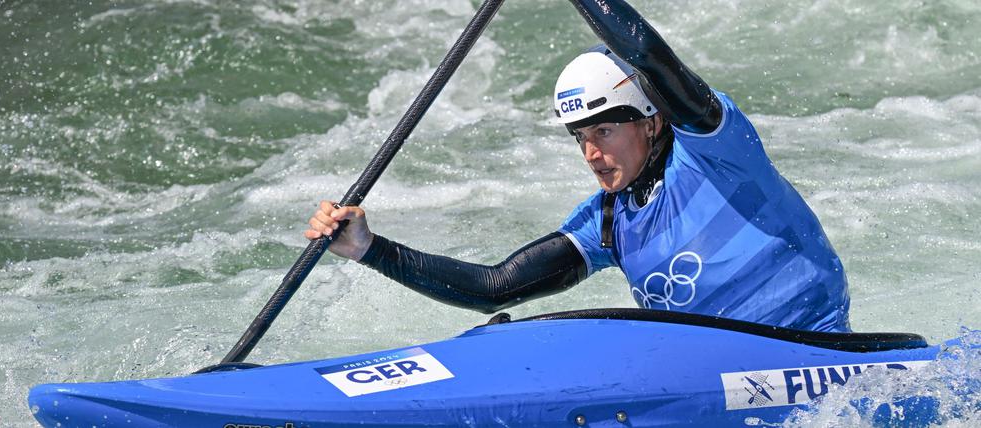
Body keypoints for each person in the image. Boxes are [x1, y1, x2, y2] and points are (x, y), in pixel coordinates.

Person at [305, 0, 851, 332]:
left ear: (652, 120)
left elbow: (650, 57)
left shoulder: (716, 151)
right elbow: (497, 286)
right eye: (581, 137)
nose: (592, 153)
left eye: (606, 131)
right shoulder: (608, 222)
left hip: (820, 355)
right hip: (713, 375)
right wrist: (368, 249)